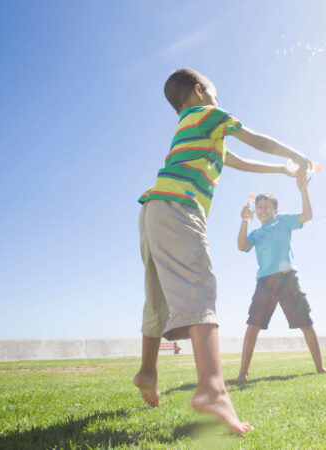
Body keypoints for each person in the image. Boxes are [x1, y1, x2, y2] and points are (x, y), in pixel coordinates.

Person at [133, 68, 312, 435]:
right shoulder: (210, 115)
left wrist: (282, 168)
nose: (217, 99)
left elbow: (241, 161)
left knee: (158, 298)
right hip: (180, 208)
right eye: (214, 92)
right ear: (199, 91)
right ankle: (213, 390)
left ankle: (148, 371)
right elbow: (252, 137)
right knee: (201, 287)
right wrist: (298, 154)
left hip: (153, 209)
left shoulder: (191, 126)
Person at [236, 175, 326, 382]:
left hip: (288, 278)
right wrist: (244, 221)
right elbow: (242, 246)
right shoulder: (255, 233)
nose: (262, 209)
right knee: (253, 325)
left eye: (267, 206)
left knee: (305, 322)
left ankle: (320, 367)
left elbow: (307, 215)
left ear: (275, 209)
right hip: (265, 282)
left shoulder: (283, 220)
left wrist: (303, 190)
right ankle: (243, 373)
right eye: (259, 206)